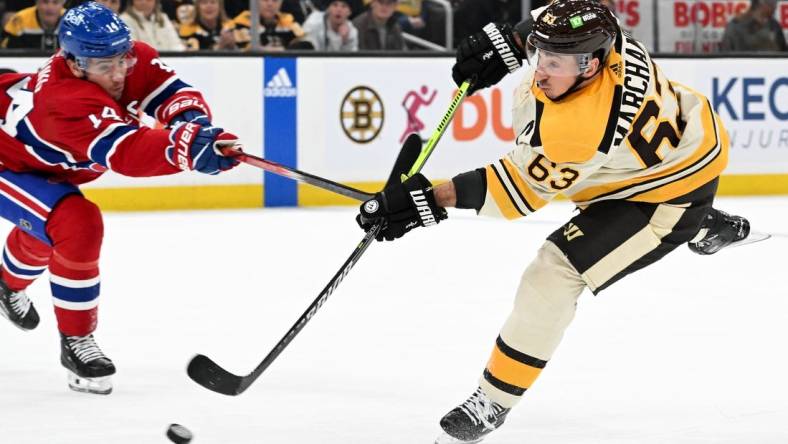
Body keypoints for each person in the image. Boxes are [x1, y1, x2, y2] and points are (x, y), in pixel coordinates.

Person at [355, 1, 751, 442]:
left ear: (590, 65)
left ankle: (494, 400)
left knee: (553, 272)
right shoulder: (606, 31)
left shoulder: (576, 129)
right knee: (598, 194)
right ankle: (703, 225)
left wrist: (429, 200)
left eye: (554, 62)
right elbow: (574, 11)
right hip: (669, 148)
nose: (540, 71)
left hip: (663, 192)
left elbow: (514, 190)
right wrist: (513, 39)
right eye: (540, 55)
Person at [0, 1, 239, 395]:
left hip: (42, 159)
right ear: (74, 63)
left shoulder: (123, 58)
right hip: (7, 160)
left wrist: (194, 127)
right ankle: (76, 343)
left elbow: (173, 93)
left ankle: (7, 285)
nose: (118, 74)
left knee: (51, 227)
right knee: (76, 223)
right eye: (104, 67)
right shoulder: (63, 102)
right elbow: (128, 151)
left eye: (121, 60)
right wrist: (188, 150)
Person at [232, 0, 306, 50]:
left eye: (275, 0)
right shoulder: (241, 22)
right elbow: (242, 49)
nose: (270, 4)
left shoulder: (289, 21)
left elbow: (303, 45)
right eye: (265, 0)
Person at [720, 0, 786, 52]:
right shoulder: (736, 26)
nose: (775, 7)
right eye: (773, 3)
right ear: (761, 3)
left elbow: (783, 53)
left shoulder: (774, 25)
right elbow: (725, 55)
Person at [120, 0, 185, 51]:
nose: (144, 1)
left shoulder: (163, 18)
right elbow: (133, 50)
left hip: (170, 62)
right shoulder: (124, 20)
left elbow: (176, 45)